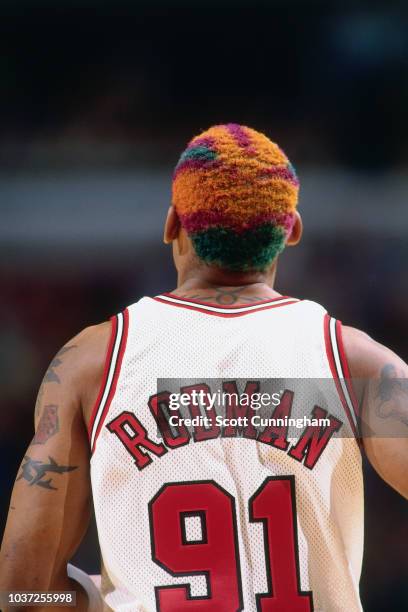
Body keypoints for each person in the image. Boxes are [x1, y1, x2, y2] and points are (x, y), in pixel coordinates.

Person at [1, 124, 407, 612]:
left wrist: (101, 599)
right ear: (293, 229)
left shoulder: (91, 361)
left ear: (172, 223)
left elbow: (19, 592)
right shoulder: (357, 362)